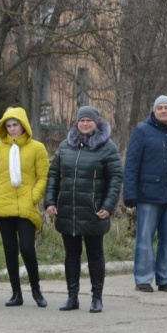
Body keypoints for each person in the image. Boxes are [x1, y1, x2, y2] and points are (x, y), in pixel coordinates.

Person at [44, 106, 122, 312]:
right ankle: (72, 297)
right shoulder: (65, 146)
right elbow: (54, 175)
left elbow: (116, 179)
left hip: (94, 211)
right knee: (71, 255)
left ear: (96, 123)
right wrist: (50, 201)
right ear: (76, 122)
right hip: (68, 211)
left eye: (89, 120)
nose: (85, 124)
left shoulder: (108, 148)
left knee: (95, 255)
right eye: (82, 120)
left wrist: (108, 205)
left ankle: (97, 297)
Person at [123, 95, 167, 292]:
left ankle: (165, 278)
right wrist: (129, 193)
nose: (163, 110)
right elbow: (131, 164)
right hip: (148, 195)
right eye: (160, 108)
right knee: (145, 238)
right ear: (154, 111)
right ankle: (143, 278)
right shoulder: (142, 132)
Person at [0, 106, 49, 307]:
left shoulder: (37, 148)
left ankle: (36, 291)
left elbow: (43, 177)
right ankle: (16, 293)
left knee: (27, 248)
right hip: (3, 204)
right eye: (8, 125)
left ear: (23, 125)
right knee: (10, 250)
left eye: (15, 125)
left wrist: (34, 196)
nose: (12, 129)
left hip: (25, 205)